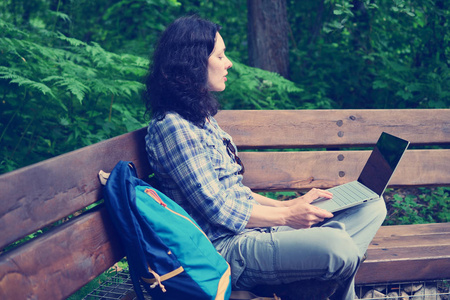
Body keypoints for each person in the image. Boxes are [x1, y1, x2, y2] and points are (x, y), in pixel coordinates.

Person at [143, 15, 386, 300]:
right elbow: (219, 209)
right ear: (193, 62)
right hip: (227, 249)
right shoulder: (173, 127)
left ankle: (311, 275)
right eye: (220, 55)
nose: (228, 63)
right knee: (339, 247)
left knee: (372, 206)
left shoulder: (199, 118)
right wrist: (287, 216)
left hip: (256, 229)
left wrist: (290, 205)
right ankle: (313, 271)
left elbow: (235, 192)